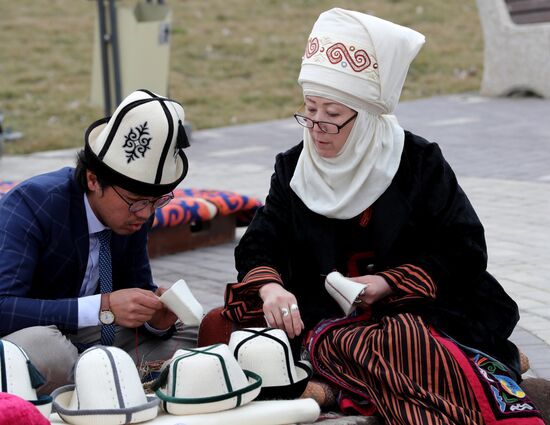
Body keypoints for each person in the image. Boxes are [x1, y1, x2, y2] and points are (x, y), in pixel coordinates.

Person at [222, 8, 545, 424]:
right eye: (310, 110)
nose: (317, 126)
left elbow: (463, 246)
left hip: (420, 308)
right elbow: (261, 240)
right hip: (329, 314)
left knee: (403, 340)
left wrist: (388, 282)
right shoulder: (294, 168)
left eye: (333, 115)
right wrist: (270, 290)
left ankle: (358, 384)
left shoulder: (418, 162)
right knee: (241, 328)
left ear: (368, 118)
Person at [0, 89, 196, 395]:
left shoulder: (137, 214)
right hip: (26, 338)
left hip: (90, 338)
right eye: (135, 201)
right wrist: (103, 307)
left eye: (156, 201)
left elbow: (136, 288)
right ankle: (109, 381)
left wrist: (157, 319)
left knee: (201, 330)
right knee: (51, 352)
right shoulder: (31, 204)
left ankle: (102, 380)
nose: (144, 214)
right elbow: (3, 307)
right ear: (93, 179)